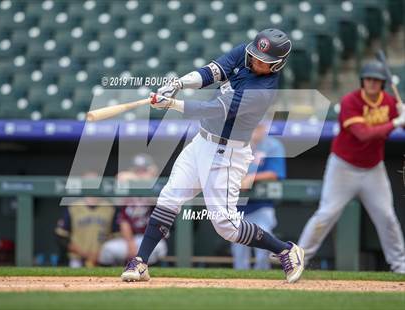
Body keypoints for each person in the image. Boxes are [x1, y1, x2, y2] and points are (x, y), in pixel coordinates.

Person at [122, 28, 305, 283]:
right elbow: (212, 72)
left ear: (277, 66)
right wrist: (179, 83)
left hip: (227, 154)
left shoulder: (262, 91)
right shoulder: (246, 52)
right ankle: (140, 262)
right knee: (170, 196)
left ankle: (286, 249)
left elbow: (214, 111)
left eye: (265, 61)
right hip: (201, 143)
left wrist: (172, 104)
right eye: (255, 55)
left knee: (226, 227)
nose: (256, 61)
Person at [296, 60, 405, 273]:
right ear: (362, 81)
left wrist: (402, 114)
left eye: (377, 80)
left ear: (383, 83)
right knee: (326, 214)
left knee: (387, 217)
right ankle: (298, 259)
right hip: (343, 167)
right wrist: (396, 122)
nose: (372, 83)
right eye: (369, 79)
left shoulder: (390, 103)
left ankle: (400, 266)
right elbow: (363, 134)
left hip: (374, 169)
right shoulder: (350, 101)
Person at [232, 123, 286, 270]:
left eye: (259, 127)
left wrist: (252, 177)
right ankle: (240, 284)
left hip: (262, 205)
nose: (255, 131)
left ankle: (262, 280)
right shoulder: (236, 144)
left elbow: (276, 173)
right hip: (237, 205)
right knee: (238, 249)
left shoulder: (272, 145)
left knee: (263, 247)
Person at [98, 154, 167, 265]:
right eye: (137, 171)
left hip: (147, 238)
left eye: (143, 170)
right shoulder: (126, 190)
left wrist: (149, 177)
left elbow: (156, 186)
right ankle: (112, 276)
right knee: (107, 250)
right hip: (127, 240)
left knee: (160, 248)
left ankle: (144, 268)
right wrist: (130, 243)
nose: (140, 173)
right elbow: (120, 177)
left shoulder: (156, 187)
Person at [55, 173, 120, 268]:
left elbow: (116, 236)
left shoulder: (110, 208)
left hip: (103, 258)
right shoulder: (73, 207)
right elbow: (61, 237)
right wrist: (83, 253)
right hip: (77, 259)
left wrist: (100, 253)